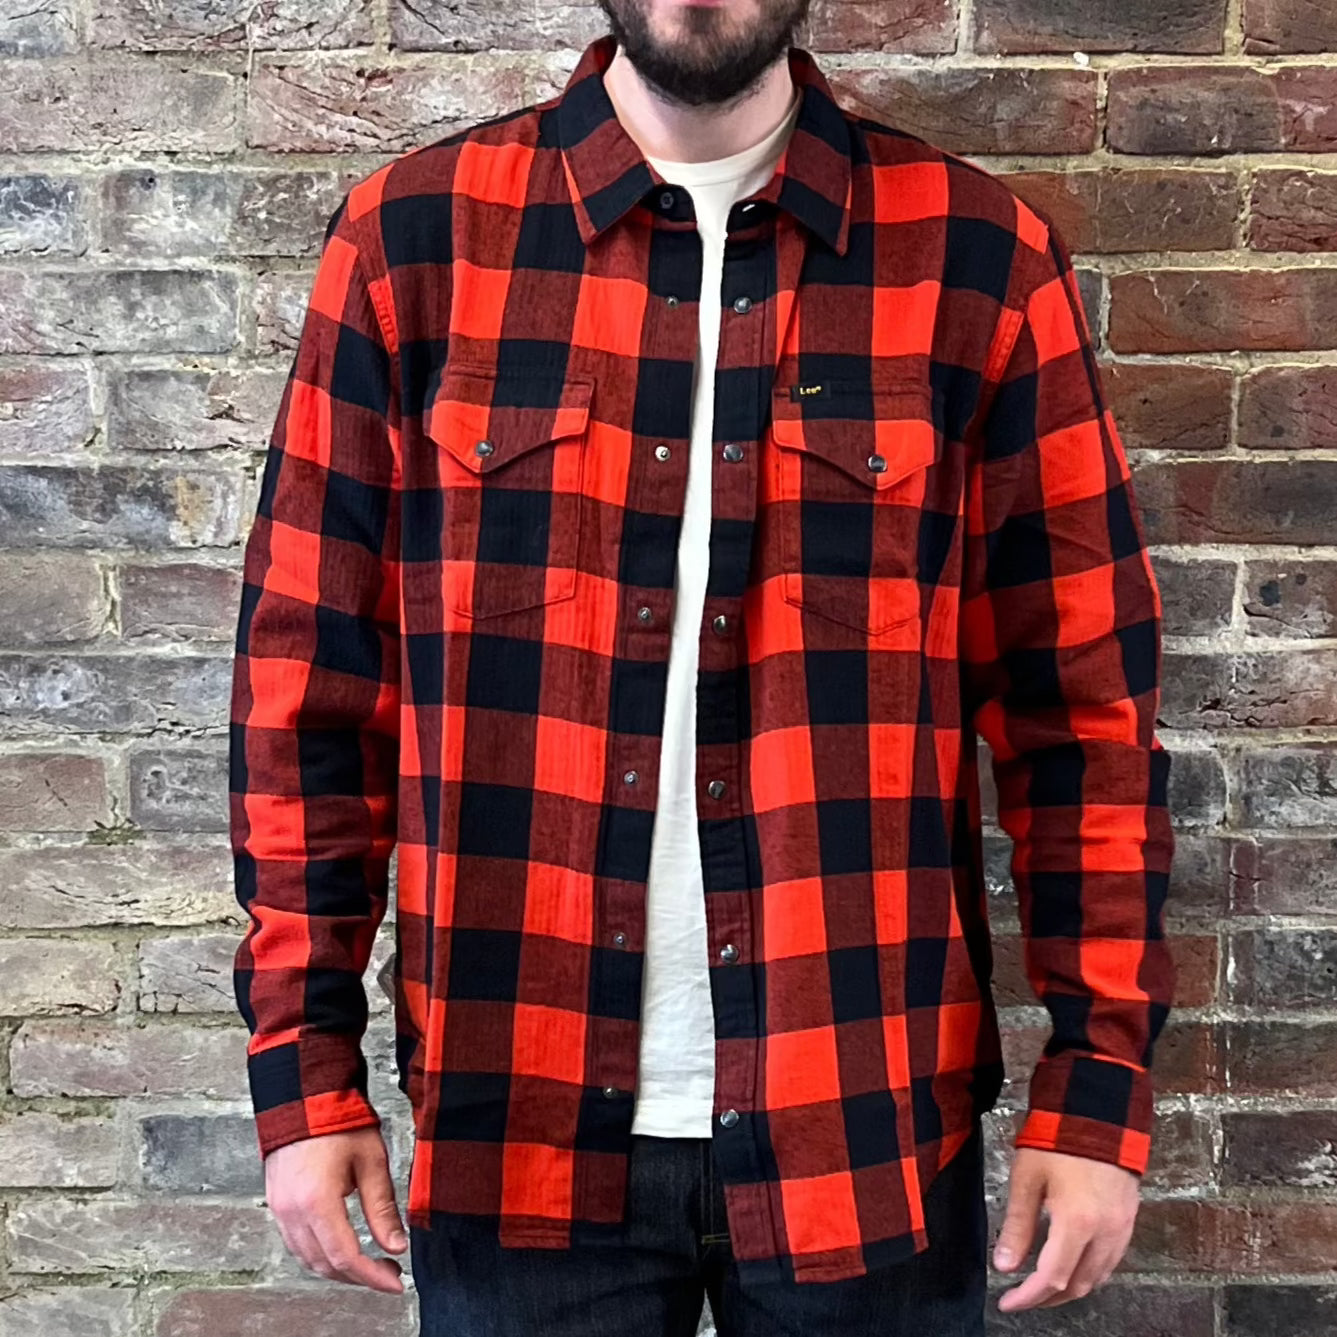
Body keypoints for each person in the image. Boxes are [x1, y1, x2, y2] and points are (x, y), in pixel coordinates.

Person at [227, 1, 1176, 1333]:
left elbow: (1084, 714)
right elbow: (305, 701)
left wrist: (1095, 1085)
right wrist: (304, 1073)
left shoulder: (976, 260)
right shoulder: (414, 243)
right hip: (520, 1121)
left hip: (864, 1131)